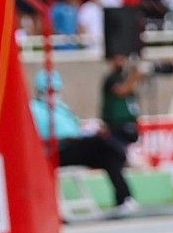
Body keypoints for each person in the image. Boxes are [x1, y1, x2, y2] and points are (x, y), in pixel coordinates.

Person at [30, 70, 133, 214]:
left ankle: (124, 198)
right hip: (58, 150)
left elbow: (76, 128)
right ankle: (120, 152)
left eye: (56, 90)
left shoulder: (62, 108)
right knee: (100, 143)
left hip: (79, 145)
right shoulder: (34, 109)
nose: (54, 94)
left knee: (108, 154)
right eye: (50, 90)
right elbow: (37, 139)